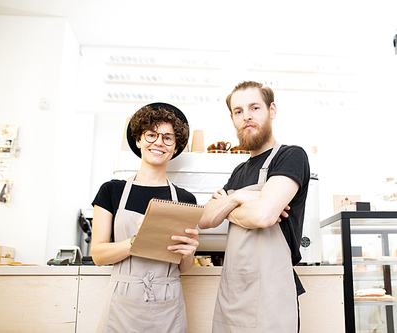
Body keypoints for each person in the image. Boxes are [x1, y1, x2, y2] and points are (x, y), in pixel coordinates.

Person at [198, 81, 310, 332]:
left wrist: (229, 203)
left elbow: (263, 215)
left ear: (272, 110)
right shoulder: (239, 171)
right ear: (232, 119)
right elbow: (205, 219)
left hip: (273, 291)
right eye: (238, 111)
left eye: (254, 107)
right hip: (234, 291)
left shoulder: (291, 156)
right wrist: (241, 198)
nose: (246, 116)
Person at [91, 102, 199, 332]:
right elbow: (99, 255)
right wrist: (138, 240)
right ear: (138, 140)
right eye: (151, 134)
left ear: (175, 148)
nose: (159, 142)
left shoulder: (185, 199)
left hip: (168, 304)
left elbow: (184, 267)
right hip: (122, 301)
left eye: (168, 138)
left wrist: (189, 253)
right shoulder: (112, 191)